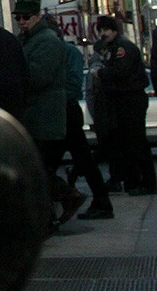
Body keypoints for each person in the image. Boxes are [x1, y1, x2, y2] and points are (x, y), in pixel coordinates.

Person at [42, 16, 113, 221]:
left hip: (66, 112)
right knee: (63, 162)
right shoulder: (63, 52)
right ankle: (88, 198)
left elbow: (73, 85)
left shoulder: (68, 53)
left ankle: (91, 199)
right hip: (61, 112)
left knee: (68, 161)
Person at [15, 0, 78, 226]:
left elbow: (38, 77)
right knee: (36, 170)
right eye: (18, 18)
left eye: (26, 17)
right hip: (34, 118)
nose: (22, 22)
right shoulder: (27, 41)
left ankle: (66, 197)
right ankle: (50, 215)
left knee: (37, 171)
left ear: (37, 17)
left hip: (45, 119)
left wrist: (16, 74)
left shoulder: (47, 42)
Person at [93, 15, 156, 196]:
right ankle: (132, 180)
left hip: (131, 99)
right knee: (126, 143)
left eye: (106, 30)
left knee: (136, 142)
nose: (103, 34)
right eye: (101, 31)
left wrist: (101, 73)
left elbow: (120, 71)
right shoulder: (113, 47)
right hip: (121, 99)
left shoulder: (122, 48)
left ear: (114, 30)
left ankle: (148, 181)